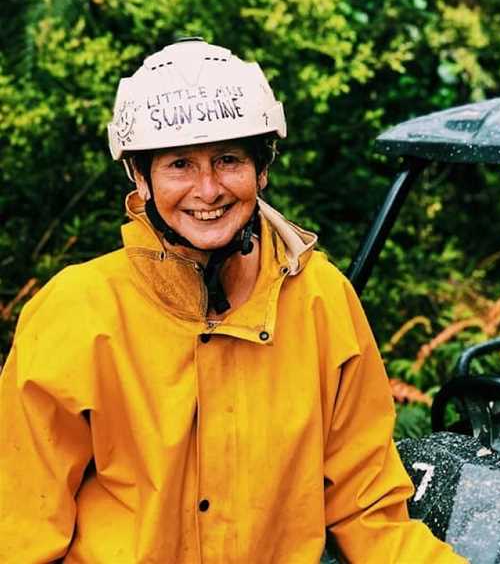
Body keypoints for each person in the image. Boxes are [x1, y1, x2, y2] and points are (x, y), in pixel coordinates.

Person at [0, 39, 466, 563]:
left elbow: (369, 511)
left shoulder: (321, 300)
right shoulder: (76, 313)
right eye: (179, 164)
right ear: (140, 176)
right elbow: (21, 533)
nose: (208, 189)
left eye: (228, 160)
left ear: (260, 169)